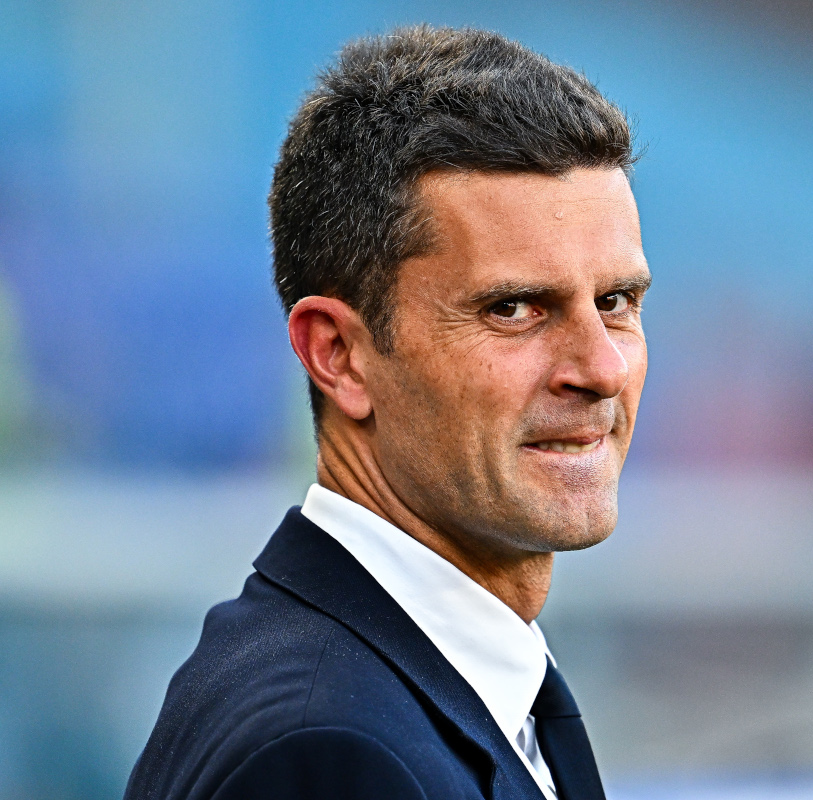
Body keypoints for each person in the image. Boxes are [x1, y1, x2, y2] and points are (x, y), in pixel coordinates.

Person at [124, 25, 649, 800]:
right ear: (337, 354)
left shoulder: (430, 690)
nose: (601, 369)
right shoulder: (329, 754)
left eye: (616, 302)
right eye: (512, 308)